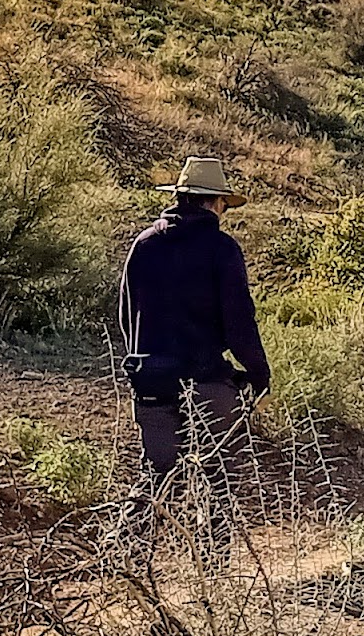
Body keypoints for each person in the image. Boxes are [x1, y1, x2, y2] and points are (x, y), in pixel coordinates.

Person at [116, 156, 270, 490]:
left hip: (151, 377)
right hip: (205, 379)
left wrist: (144, 361)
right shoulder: (222, 249)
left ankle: (128, 540)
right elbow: (240, 322)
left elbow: (127, 315)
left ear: (179, 198)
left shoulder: (144, 244)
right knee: (218, 475)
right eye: (224, 205)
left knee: (157, 477)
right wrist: (259, 374)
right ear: (215, 203)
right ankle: (212, 541)